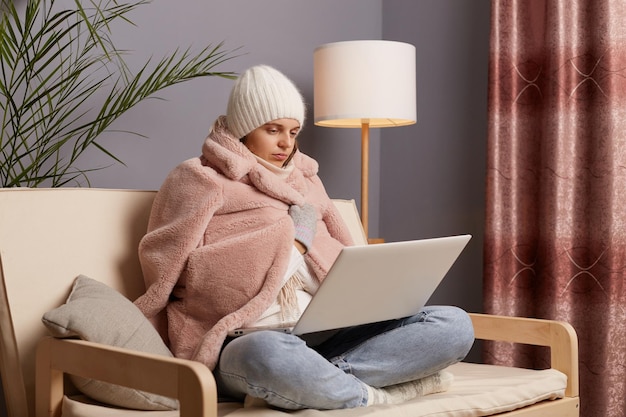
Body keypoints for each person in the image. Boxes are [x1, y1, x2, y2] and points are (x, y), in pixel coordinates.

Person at [134, 65, 475, 410]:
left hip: (326, 335)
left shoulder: (308, 182)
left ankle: (320, 380)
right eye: (273, 130)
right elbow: (165, 266)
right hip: (244, 340)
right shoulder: (197, 178)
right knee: (266, 354)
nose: (286, 143)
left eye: (294, 131)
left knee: (454, 324)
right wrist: (295, 240)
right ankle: (379, 393)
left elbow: (343, 254)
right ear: (243, 127)